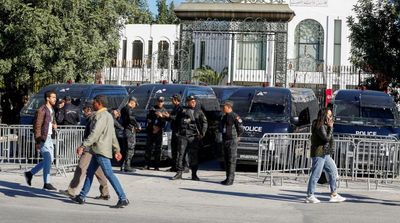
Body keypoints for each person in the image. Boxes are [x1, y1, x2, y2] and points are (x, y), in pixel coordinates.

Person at [71, 95, 129, 208]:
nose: (92, 105)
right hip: (97, 150)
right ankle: (82, 196)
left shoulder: (101, 116)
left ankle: (123, 198)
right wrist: (117, 149)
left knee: (109, 174)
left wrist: (83, 145)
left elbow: (95, 133)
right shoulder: (108, 116)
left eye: (94, 103)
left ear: (99, 103)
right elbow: (112, 135)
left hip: (100, 150)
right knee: (90, 173)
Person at [59, 102, 110, 200]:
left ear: (89, 110)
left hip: (89, 148)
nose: (83, 112)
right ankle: (105, 192)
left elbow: (92, 135)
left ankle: (71, 190)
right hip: (95, 147)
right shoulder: (95, 118)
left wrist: (83, 146)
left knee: (81, 168)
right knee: (98, 171)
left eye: (85, 110)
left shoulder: (92, 119)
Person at [305, 107, 346, 203]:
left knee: (333, 171)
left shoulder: (324, 125)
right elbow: (326, 138)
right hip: (319, 153)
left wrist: (329, 126)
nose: (331, 118)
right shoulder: (319, 125)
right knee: (316, 174)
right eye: (329, 115)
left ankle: (334, 194)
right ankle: (310, 195)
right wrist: (330, 127)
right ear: (324, 115)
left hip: (325, 153)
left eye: (331, 116)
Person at [24, 90, 58, 190]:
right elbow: (37, 126)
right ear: (47, 98)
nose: (55, 99)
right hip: (43, 138)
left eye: (55, 97)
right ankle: (46, 183)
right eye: (53, 97)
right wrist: (38, 141)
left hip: (49, 137)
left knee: (50, 160)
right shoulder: (42, 110)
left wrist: (53, 124)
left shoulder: (51, 109)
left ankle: (30, 173)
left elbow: (50, 121)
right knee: (48, 158)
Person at [172, 95, 207, 181]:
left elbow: (205, 122)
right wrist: (177, 132)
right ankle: (179, 173)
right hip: (183, 136)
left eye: (194, 101)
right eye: (191, 101)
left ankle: (194, 174)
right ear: (188, 102)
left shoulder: (198, 111)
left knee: (193, 156)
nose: (193, 103)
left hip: (193, 137)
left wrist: (202, 133)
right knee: (181, 155)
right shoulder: (182, 110)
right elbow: (175, 121)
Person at [219, 100, 244, 185]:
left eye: (224, 107)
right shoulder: (224, 116)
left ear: (229, 107)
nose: (222, 108)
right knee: (226, 160)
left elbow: (240, 127)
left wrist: (238, 136)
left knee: (231, 160)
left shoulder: (234, 116)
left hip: (232, 140)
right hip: (225, 139)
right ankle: (227, 177)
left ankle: (230, 179)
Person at [144, 96, 169, 171]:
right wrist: (153, 126)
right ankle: (146, 165)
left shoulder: (164, 110)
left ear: (163, 102)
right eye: (159, 101)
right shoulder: (152, 109)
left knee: (158, 149)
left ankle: (156, 166)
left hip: (158, 132)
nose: (160, 103)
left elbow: (165, 122)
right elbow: (148, 119)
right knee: (149, 148)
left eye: (161, 101)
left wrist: (158, 127)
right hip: (151, 131)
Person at [120, 96, 141, 172]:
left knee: (125, 148)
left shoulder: (123, 109)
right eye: (135, 104)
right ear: (132, 102)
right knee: (130, 148)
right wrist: (137, 125)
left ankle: (123, 164)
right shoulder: (129, 110)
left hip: (126, 130)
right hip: (129, 130)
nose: (135, 106)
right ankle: (127, 166)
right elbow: (131, 119)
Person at [166, 94, 183, 172]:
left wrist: (169, 116)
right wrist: (166, 117)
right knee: (173, 149)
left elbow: (177, 118)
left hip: (178, 132)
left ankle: (178, 166)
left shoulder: (180, 108)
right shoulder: (175, 108)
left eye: (172, 99)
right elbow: (171, 119)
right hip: (174, 130)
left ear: (176, 100)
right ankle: (173, 166)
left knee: (178, 150)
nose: (171, 101)